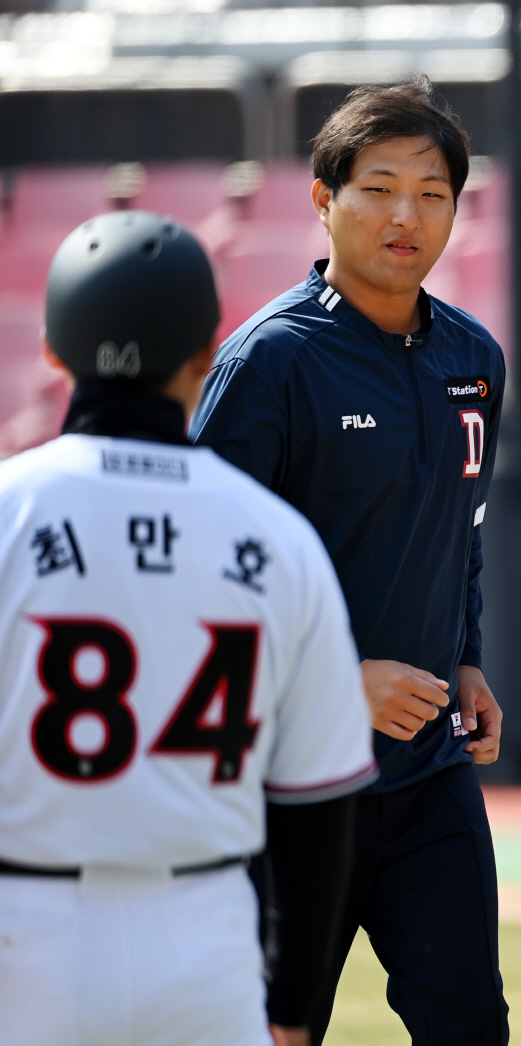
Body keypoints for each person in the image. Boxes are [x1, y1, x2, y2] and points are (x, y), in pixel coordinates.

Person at [0, 210, 376, 1046]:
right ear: (207, 354)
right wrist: (292, 1005)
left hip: (26, 933)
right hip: (205, 939)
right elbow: (316, 803)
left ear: (54, 353)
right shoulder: (276, 535)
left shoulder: (8, 511)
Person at [190, 79, 508, 1045]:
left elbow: (463, 530)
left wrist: (465, 657)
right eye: (377, 187)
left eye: (432, 191)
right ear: (323, 200)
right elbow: (203, 582)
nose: (406, 214)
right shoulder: (269, 363)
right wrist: (335, 684)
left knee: (470, 1027)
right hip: (291, 783)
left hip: (428, 772)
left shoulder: (476, 357)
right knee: (275, 1034)